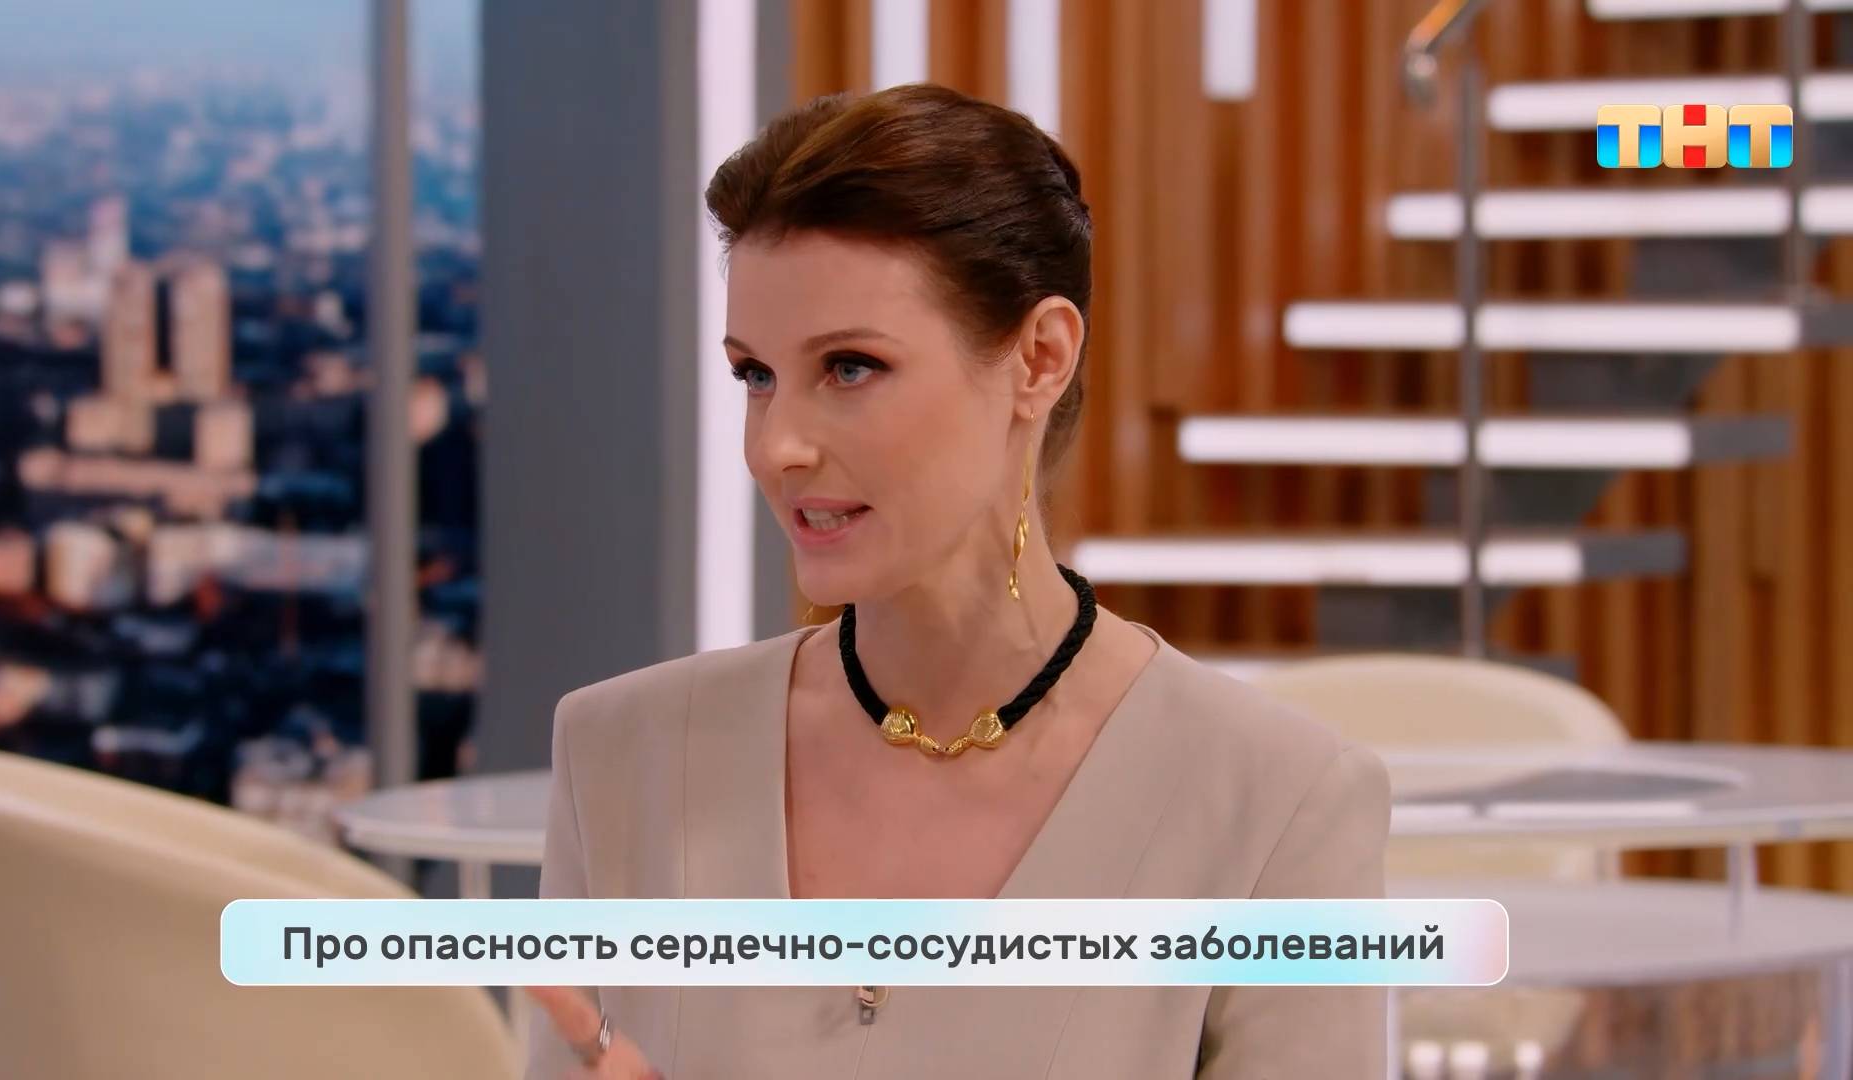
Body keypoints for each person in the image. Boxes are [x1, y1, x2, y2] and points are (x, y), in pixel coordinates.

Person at [523, 82, 1392, 1080]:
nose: (777, 447)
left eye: (849, 367)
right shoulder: (619, 759)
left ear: (1039, 359)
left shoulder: (1279, 803)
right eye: (755, 374)